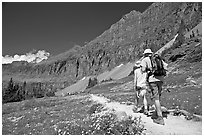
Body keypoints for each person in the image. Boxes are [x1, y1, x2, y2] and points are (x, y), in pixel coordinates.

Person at [140, 49, 168, 125]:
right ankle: (157, 112)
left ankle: (160, 117)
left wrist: (147, 70)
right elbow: (166, 67)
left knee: (156, 98)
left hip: (152, 80)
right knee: (158, 96)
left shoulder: (145, 59)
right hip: (161, 79)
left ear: (145, 54)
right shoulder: (159, 58)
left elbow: (142, 70)